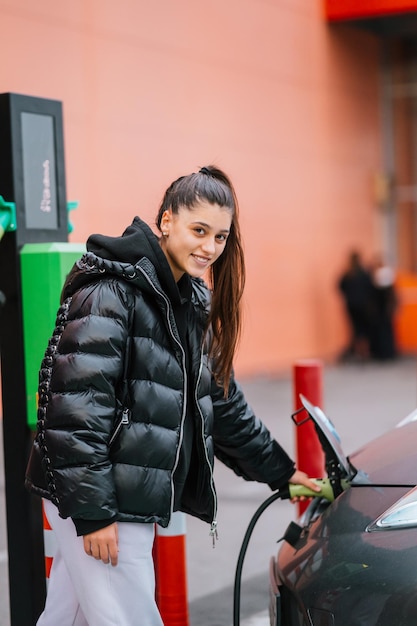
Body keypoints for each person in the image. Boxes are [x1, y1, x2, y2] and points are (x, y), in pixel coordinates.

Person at [25, 165, 319, 626]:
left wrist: (281, 471)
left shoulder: (188, 301)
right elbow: (74, 411)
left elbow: (221, 404)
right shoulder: (112, 293)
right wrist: (95, 513)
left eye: (220, 237)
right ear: (166, 221)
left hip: (123, 493)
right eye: (198, 230)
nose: (210, 248)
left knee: (69, 617)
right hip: (106, 499)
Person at [338, 250, 374, 361]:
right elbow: (370, 288)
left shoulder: (348, 274)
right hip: (363, 306)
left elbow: (340, 286)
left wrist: (349, 296)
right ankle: (363, 352)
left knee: (355, 329)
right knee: (364, 329)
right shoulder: (364, 273)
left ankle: (358, 351)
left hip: (351, 305)